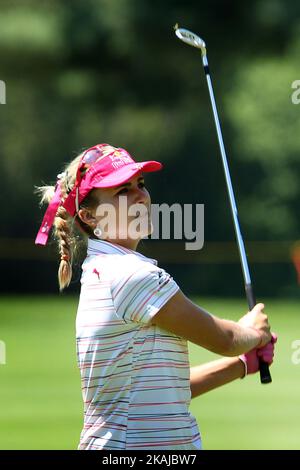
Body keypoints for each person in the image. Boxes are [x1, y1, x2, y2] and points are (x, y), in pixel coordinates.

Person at [35, 143, 277, 450]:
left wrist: (242, 364)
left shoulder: (102, 270)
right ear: (89, 216)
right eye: (123, 191)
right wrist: (254, 332)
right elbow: (226, 340)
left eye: (141, 185)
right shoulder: (133, 276)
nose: (140, 196)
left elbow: (165, 390)